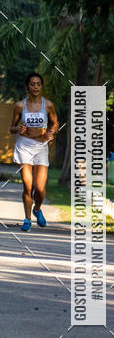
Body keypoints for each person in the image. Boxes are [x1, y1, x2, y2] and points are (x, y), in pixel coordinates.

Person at [9, 72, 59, 231]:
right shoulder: (20, 106)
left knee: (40, 188)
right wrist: (18, 128)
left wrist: (51, 132)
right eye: (32, 84)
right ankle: (27, 219)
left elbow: (55, 124)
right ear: (27, 86)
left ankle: (37, 209)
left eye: (38, 84)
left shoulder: (48, 105)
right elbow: (12, 128)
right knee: (27, 184)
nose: (35, 87)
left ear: (41, 86)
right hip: (25, 145)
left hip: (41, 147)